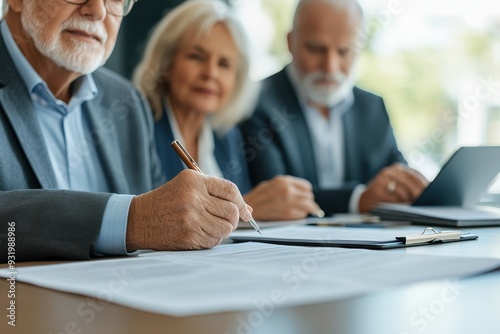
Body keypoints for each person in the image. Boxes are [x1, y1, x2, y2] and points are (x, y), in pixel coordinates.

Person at [0, 0, 253, 263]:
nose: (98, 10)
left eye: (115, 0)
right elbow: (147, 219)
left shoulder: (127, 102)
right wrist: (132, 220)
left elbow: (169, 228)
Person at [133, 0, 322, 221]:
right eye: (197, 56)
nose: (210, 73)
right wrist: (248, 210)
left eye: (224, 64)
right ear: (166, 62)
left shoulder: (228, 137)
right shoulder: (138, 126)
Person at [239, 0, 428, 215]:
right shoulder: (254, 103)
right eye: (316, 49)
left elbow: (397, 177)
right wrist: (359, 199)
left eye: (344, 51)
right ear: (290, 42)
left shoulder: (372, 107)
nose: (330, 66)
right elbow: (277, 198)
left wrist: (413, 188)